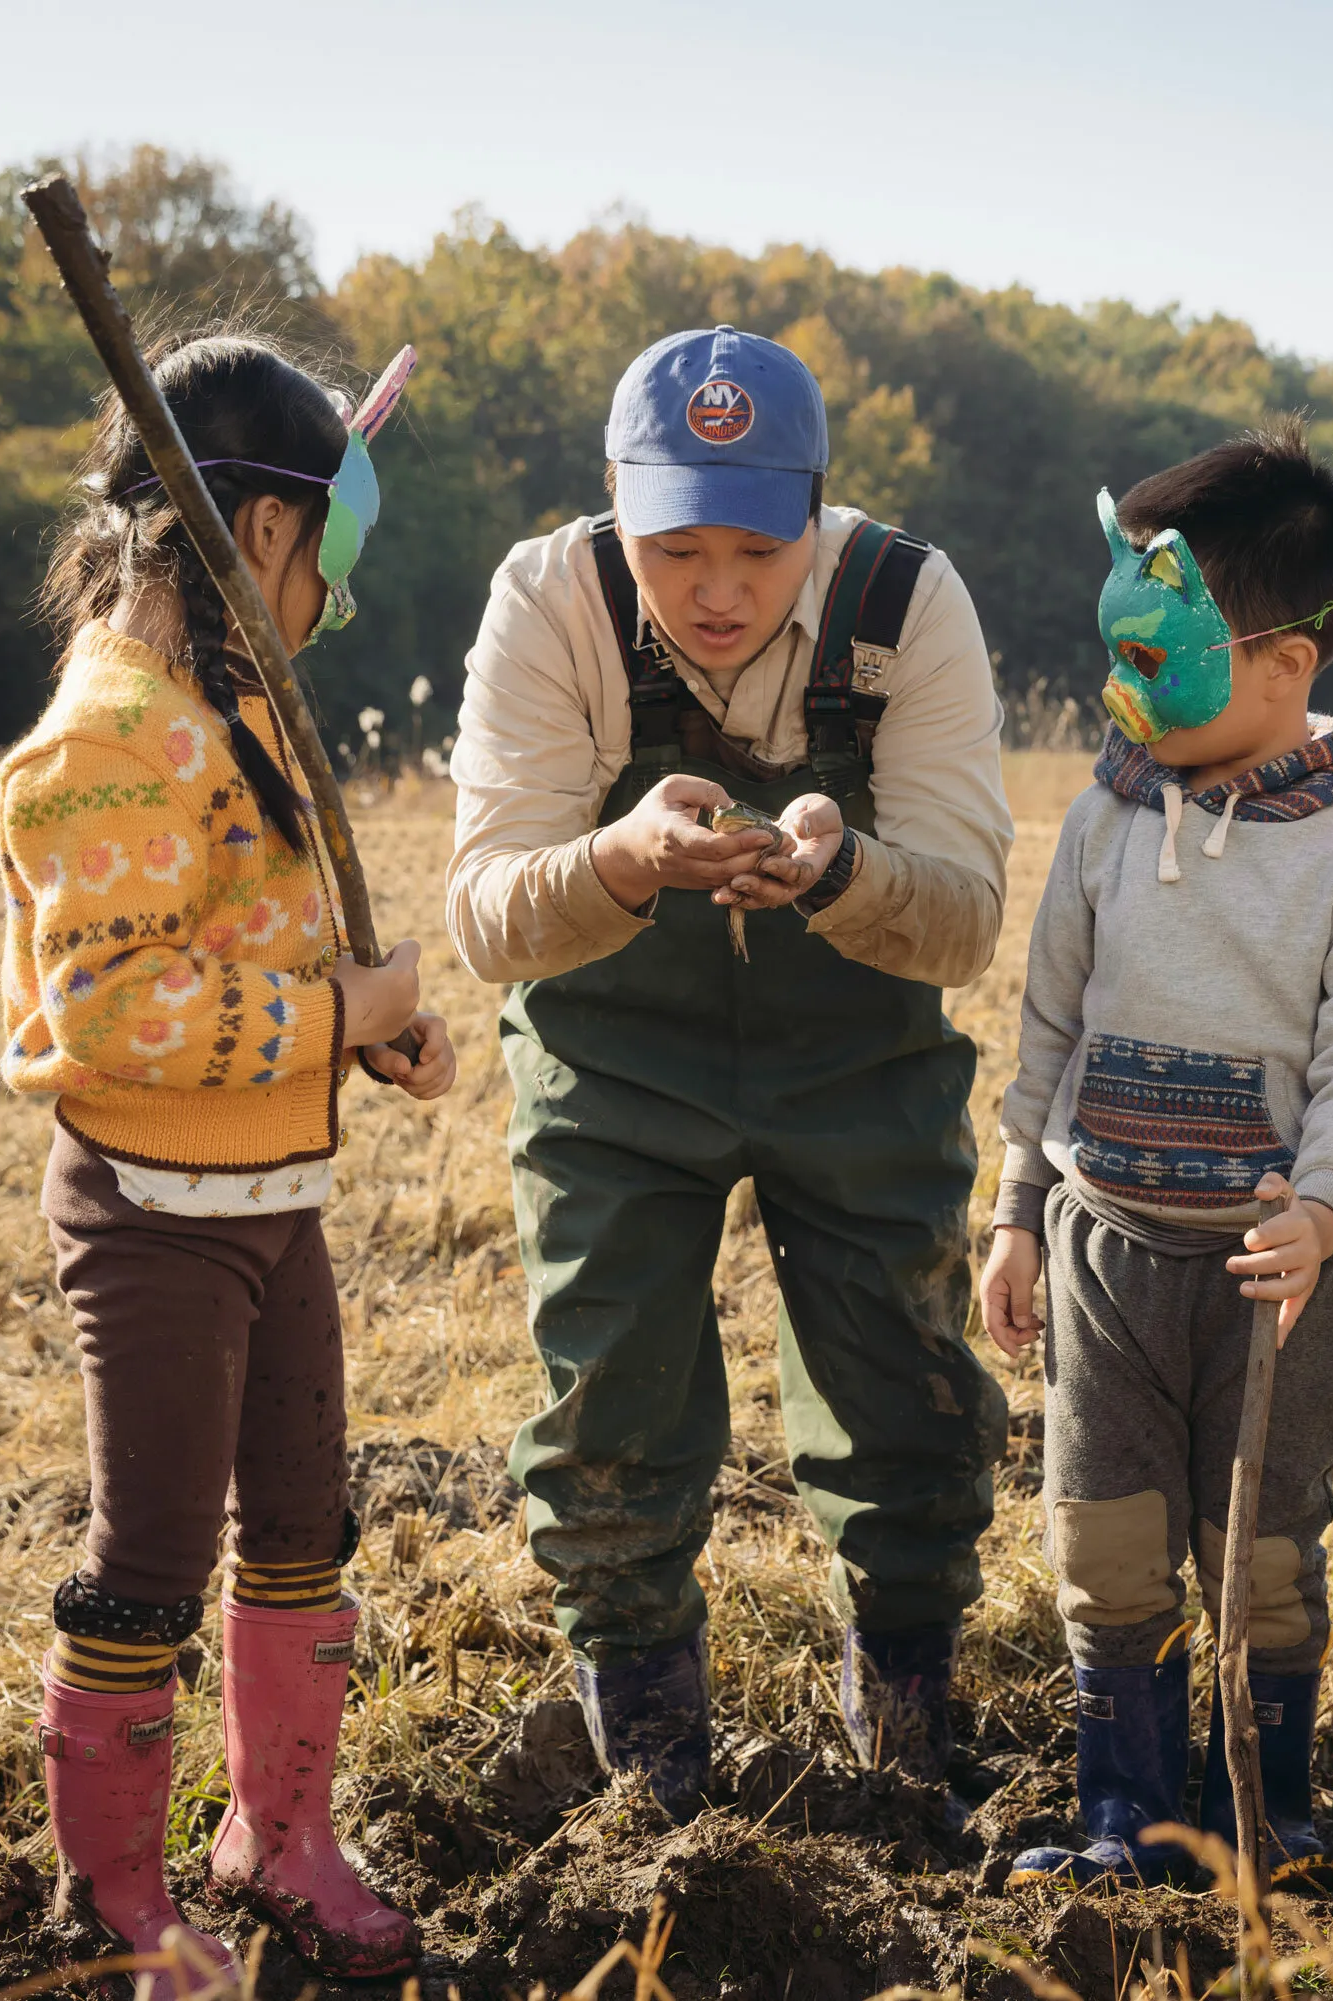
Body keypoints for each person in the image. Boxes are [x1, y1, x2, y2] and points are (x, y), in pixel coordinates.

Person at [446, 326, 1014, 1813]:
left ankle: (903, 1747)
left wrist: (845, 876)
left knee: (909, 1402)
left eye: (756, 550)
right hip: (610, 1065)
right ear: (615, 512)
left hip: (863, 1056)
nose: (713, 589)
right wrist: (625, 858)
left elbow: (963, 920)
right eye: (671, 545)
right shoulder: (549, 601)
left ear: (816, 517)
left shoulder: (907, 602)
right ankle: (652, 1788)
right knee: (608, 1407)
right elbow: (485, 911)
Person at [0, 334, 458, 1985]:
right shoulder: (106, 743)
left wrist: (370, 1029)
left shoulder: (233, 701)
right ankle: (115, 1893)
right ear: (266, 534)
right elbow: (123, 1011)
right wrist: (338, 1006)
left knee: (303, 1525)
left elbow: (257, 931)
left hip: (279, 1202)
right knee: (147, 1561)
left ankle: (282, 1834)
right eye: (333, 555)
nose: (334, 593)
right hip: (158, 1223)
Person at [982, 421, 1333, 1888]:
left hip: (1272, 1280)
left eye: (1159, 654)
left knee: (1264, 1553)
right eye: (1116, 649)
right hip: (1106, 1258)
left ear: (1285, 662)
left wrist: (1326, 1206)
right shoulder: (1105, 817)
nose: (1124, 688)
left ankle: (1265, 1809)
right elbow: (1047, 1024)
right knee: (1105, 1539)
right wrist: (1015, 1213)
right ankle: (1125, 1810)